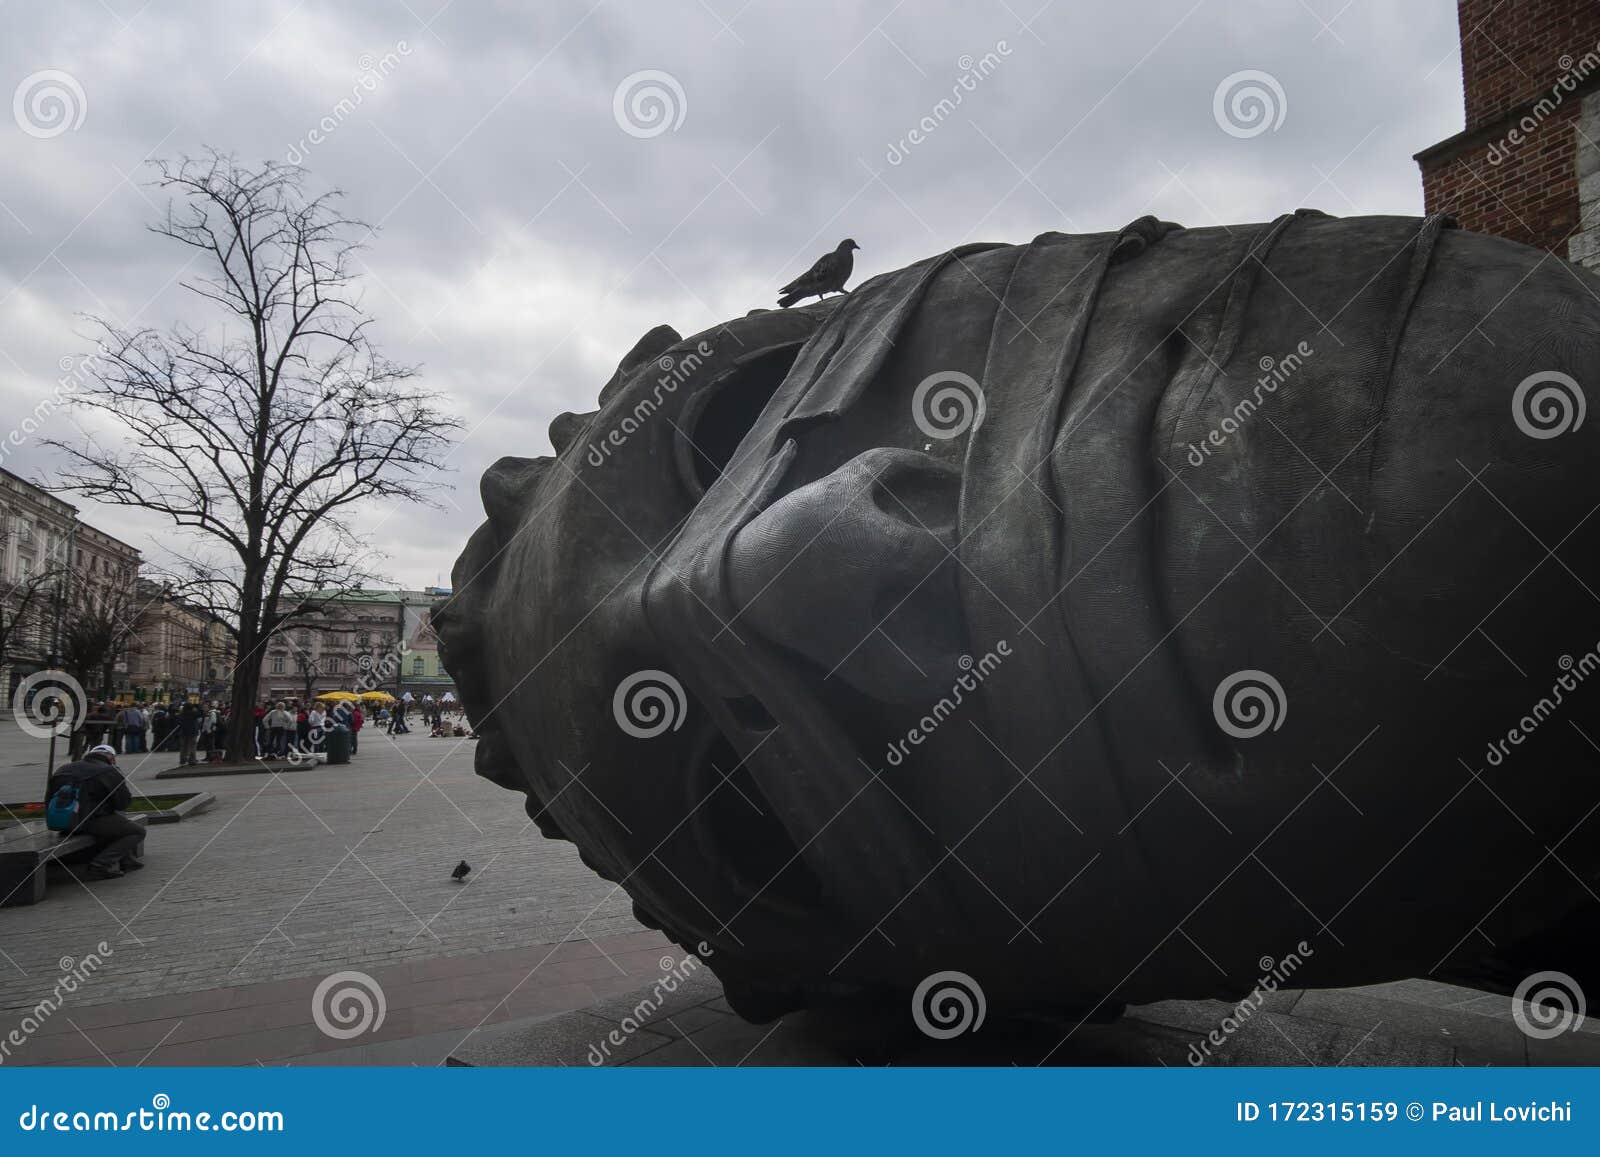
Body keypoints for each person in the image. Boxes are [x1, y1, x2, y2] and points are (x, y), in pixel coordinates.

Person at [47, 744, 144, 879]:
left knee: (117, 822)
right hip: (89, 821)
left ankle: (126, 860)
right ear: (111, 758)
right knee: (136, 831)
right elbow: (122, 803)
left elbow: (48, 799)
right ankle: (100, 866)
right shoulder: (108, 771)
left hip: (62, 821)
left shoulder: (63, 769)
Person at [176, 701, 201, 766]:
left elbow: (178, 722)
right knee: (192, 746)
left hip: (183, 732)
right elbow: (201, 714)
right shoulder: (194, 714)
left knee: (183, 747)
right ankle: (192, 760)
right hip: (192, 732)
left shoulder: (181, 714)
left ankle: (182, 759)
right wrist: (197, 707)